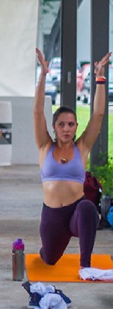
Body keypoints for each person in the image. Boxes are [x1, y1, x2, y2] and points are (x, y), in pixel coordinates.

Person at [34, 49, 109, 271]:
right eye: (61, 124)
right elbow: (38, 113)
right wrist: (43, 76)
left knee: (87, 207)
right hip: (52, 214)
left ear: (76, 127)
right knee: (49, 259)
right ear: (55, 128)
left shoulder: (82, 147)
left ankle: (85, 266)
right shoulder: (45, 146)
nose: (67, 128)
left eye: (71, 124)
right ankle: (46, 250)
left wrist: (100, 77)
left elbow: (98, 115)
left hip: (77, 212)